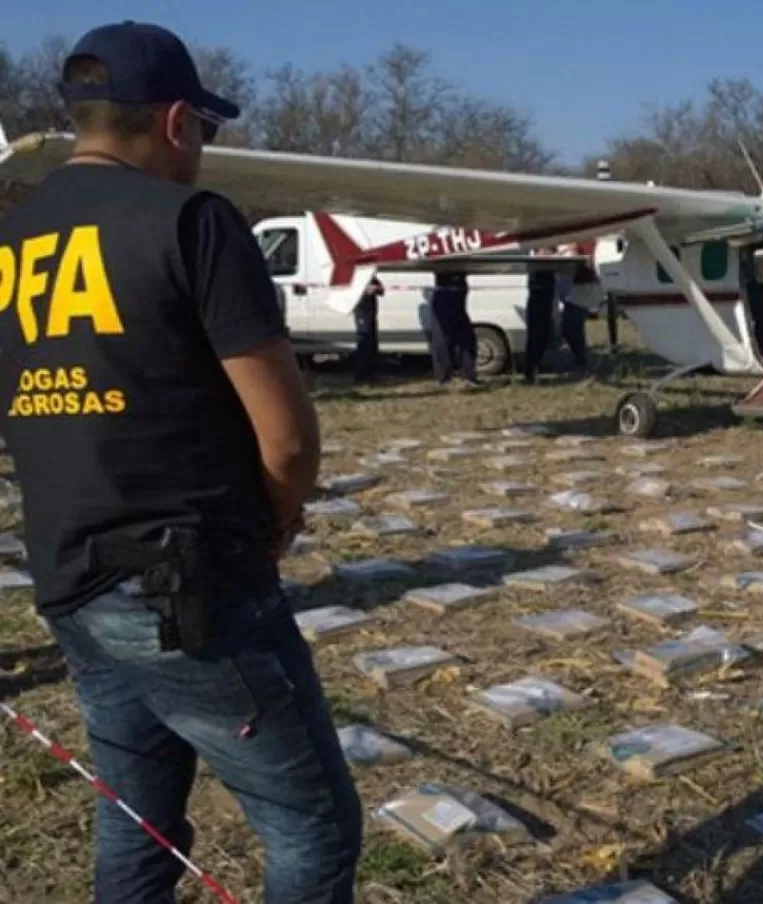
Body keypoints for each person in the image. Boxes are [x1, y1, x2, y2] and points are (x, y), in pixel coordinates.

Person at [0, 21, 361, 904]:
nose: (203, 148)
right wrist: (274, 518)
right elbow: (288, 438)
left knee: (137, 814)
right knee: (313, 826)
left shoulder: (11, 241)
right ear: (174, 122)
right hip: (187, 588)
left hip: (68, 576)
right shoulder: (193, 222)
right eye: (203, 128)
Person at [430, 271, 480, 388]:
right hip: (445, 290)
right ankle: (444, 378)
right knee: (443, 338)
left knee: (466, 338)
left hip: (457, 290)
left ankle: (467, 375)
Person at [523, 263, 557, 384]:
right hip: (539, 301)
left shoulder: (543, 269)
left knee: (542, 337)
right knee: (537, 337)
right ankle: (531, 371)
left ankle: (533, 370)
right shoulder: (538, 265)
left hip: (544, 301)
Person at [351, 274, 383, 382]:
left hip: (371, 313)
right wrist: (364, 291)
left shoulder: (370, 276)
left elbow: (382, 290)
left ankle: (371, 373)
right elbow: (350, 291)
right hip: (362, 311)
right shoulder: (355, 275)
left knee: (372, 343)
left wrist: (376, 289)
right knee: (363, 342)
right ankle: (360, 375)